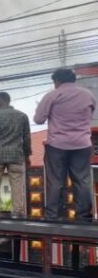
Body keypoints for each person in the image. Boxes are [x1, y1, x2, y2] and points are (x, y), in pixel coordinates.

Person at [34, 68, 97, 221]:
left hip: (57, 145)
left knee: (56, 181)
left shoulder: (52, 95)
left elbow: (38, 119)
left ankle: (53, 215)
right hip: (82, 144)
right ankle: (83, 216)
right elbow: (91, 112)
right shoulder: (88, 95)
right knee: (82, 180)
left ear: (57, 81)